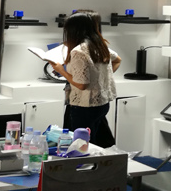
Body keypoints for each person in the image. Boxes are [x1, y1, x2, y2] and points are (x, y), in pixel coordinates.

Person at [50, 11, 120, 148]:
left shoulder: (78, 51)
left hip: (84, 106)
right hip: (101, 103)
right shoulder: (99, 45)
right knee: (96, 142)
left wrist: (61, 70)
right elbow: (118, 60)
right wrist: (100, 77)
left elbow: (82, 85)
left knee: (82, 146)